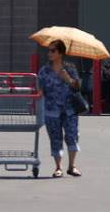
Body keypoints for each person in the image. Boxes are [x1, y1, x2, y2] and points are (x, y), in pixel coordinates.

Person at [37, 40, 82, 178]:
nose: (49, 53)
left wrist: (68, 79)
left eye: (53, 51)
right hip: (52, 110)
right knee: (55, 139)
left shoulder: (70, 68)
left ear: (60, 53)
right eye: (49, 50)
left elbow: (78, 87)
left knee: (72, 136)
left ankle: (72, 166)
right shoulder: (44, 70)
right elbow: (39, 87)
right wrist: (40, 91)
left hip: (69, 110)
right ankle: (58, 167)